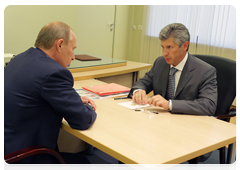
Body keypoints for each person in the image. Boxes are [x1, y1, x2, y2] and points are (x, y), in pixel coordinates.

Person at [4, 21, 97, 170]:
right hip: (18, 159)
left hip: (7, 144)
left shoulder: (20, 58)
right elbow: (82, 119)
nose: (73, 57)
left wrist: (71, 99)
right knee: (83, 164)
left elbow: (35, 92)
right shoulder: (54, 73)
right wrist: (87, 107)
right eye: (73, 49)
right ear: (60, 45)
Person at [128, 23, 217, 116]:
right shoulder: (160, 62)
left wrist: (170, 104)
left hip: (187, 123)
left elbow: (208, 105)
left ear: (185, 46)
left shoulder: (205, 71)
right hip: (161, 119)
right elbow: (143, 82)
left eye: (169, 47)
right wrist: (138, 90)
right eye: (163, 47)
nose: (165, 53)